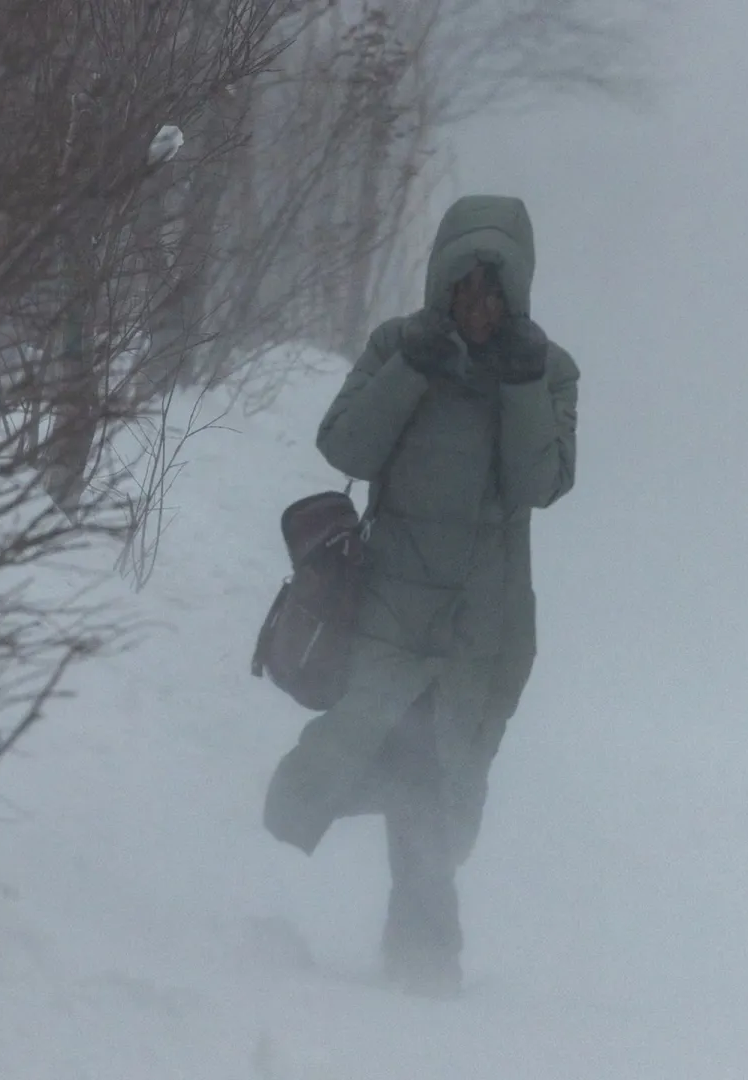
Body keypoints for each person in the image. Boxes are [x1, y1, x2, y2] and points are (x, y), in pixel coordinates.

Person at [262, 195, 579, 997]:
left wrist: (518, 382)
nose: (479, 307)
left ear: (517, 294)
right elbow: (346, 446)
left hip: (482, 626)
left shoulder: (547, 370)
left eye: (494, 292)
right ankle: (416, 958)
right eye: (466, 289)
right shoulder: (399, 348)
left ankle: (423, 962)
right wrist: (412, 363)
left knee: (444, 786)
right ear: (443, 284)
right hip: (392, 613)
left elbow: (540, 483)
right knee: (381, 764)